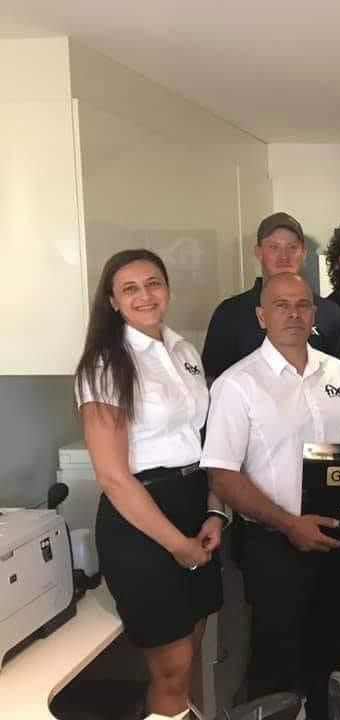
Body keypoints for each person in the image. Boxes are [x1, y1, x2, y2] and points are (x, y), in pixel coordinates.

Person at [200, 273, 340, 720]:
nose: (293, 314)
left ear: (314, 314)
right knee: (277, 663)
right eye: (281, 305)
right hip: (273, 546)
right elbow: (222, 477)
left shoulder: (337, 372)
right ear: (261, 316)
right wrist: (290, 524)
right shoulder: (237, 384)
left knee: (332, 655)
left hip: (334, 540)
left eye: (302, 305)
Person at [75, 249, 224, 719]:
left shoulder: (184, 351)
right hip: (141, 519)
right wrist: (177, 545)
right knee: (172, 669)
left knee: (191, 651)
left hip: (193, 504)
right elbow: (113, 477)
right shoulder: (105, 364)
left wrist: (215, 510)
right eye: (130, 288)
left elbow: (201, 441)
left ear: (168, 290)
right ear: (113, 301)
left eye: (153, 283)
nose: (145, 295)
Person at [202, 212, 340, 380]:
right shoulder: (229, 313)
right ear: (258, 252)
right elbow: (213, 380)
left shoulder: (331, 314)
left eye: (292, 248)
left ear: (303, 253)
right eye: (274, 247)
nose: (284, 256)